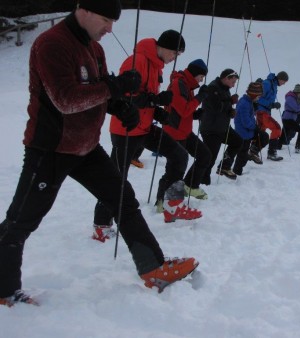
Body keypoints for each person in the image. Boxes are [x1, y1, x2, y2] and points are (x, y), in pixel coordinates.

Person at [0, 0, 198, 306]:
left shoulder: (95, 48)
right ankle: (4, 289)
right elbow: (66, 100)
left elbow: (99, 90)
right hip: (50, 148)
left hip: (87, 146)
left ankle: (154, 268)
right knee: (23, 220)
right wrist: (115, 89)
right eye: (106, 20)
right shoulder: (51, 44)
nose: (109, 28)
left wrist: (120, 106)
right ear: (85, 10)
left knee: (123, 198)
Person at [93, 29, 202, 234]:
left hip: (144, 128)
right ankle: (101, 224)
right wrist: (154, 101)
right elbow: (121, 97)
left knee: (179, 155)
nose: (174, 58)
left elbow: (146, 96)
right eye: (175, 53)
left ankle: (172, 204)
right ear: (164, 47)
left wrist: (157, 112)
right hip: (125, 129)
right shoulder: (137, 61)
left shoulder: (157, 66)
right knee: (116, 179)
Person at [163, 59, 211, 200]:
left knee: (204, 155)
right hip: (174, 133)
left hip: (184, 132)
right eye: (201, 77)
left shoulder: (186, 86)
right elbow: (183, 110)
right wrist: (200, 97)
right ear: (195, 73)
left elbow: (183, 110)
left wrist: (195, 114)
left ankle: (190, 186)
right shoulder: (178, 84)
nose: (201, 81)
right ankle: (163, 201)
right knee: (174, 170)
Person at [200, 68, 243, 181]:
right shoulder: (213, 88)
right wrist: (230, 101)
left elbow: (224, 106)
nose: (233, 85)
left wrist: (231, 112)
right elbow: (216, 107)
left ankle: (224, 166)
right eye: (233, 82)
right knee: (210, 157)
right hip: (211, 129)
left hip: (222, 127)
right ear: (225, 78)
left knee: (237, 141)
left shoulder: (225, 88)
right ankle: (203, 180)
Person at [232, 81, 269, 175]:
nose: (259, 98)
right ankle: (237, 171)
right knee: (242, 153)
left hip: (249, 131)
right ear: (253, 95)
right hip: (243, 133)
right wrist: (255, 127)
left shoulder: (249, 102)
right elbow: (245, 122)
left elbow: (250, 117)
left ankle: (253, 152)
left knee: (264, 136)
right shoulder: (244, 103)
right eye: (258, 96)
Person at [255, 71, 289, 161]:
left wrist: (273, 104)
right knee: (277, 128)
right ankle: (271, 153)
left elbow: (267, 99)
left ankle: (252, 151)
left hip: (264, 111)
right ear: (280, 78)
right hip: (261, 111)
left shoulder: (273, 85)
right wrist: (272, 105)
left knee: (261, 131)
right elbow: (258, 98)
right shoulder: (267, 83)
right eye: (284, 81)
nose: (284, 84)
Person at [279, 84, 300, 154]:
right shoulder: (290, 97)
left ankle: (278, 146)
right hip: (288, 118)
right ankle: (299, 148)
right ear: (298, 92)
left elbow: (297, 110)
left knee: (285, 132)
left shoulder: (294, 97)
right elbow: (296, 108)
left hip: (289, 118)